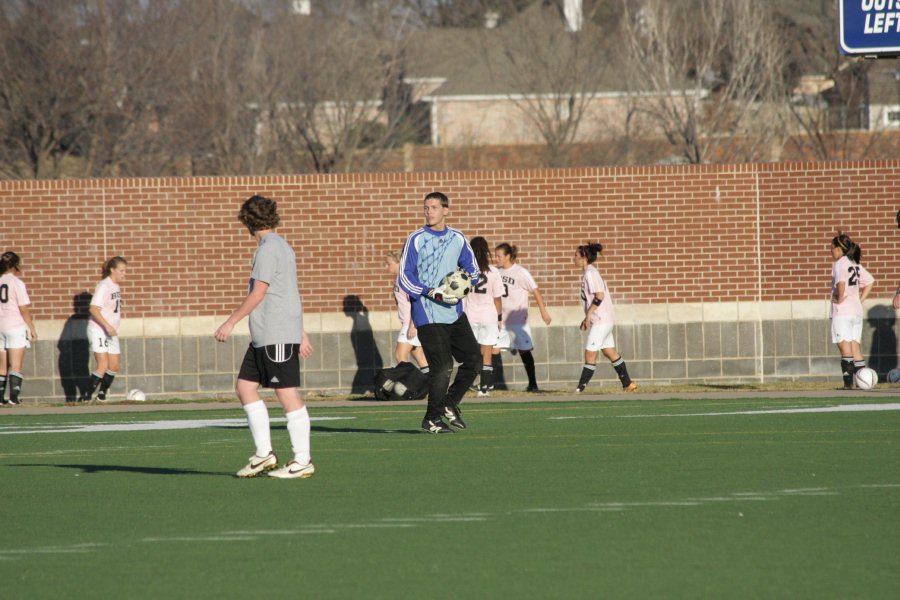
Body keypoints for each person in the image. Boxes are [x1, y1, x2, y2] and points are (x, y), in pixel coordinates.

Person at [215, 195, 315, 478]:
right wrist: (302, 332)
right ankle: (264, 455)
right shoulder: (280, 246)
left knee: (287, 394)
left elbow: (258, 293)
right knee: (245, 388)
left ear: (247, 221)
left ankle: (302, 460)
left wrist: (230, 322)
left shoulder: (269, 250)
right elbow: (289, 293)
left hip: (275, 334)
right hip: (265, 334)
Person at [398, 191, 481, 433]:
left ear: (446, 210)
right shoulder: (416, 239)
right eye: (426, 207)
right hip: (427, 313)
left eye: (434, 207)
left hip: (454, 312)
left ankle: (449, 403)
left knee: (475, 360)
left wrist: (465, 284)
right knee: (443, 367)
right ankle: (431, 419)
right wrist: (429, 292)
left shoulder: (458, 238)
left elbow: (473, 271)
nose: (429, 211)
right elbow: (405, 277)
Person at [575, 243, 638, 394]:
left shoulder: (590, 273)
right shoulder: (588, 273)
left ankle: (579, 389)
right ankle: (628, 384)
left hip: (601, 320)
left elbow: (599, 296)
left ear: (584, 257)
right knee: (610, 352)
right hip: (605, 319)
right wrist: (587, 317)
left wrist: (589, 316)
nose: (574, 259)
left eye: (576, 256)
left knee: (590, 353)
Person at [493, 243, 551, 392]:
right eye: (495, 255)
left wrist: (543, 312)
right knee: (493, 349)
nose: (496, 258)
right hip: (501, 320)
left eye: (499, 256)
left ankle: (533, 384)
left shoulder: (520, 272)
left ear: (508, 256)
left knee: (524, 351)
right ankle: (488, 384)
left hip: (518, 321)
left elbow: (536, 291)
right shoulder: (496, 272)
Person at [830, 232, 875, 389]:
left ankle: (848, 384)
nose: (831, 251)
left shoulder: (840, 263)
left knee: (845, 346)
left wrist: (840, 298)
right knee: (855, 347)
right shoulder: (854, 263)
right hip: (856, 311)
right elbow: (869, 282)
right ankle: (863, 381)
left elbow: (841, 282)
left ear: (838, 249)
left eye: (832, 248)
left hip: (842, 312)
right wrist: (859, 300)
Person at [463, 237, 503, 396]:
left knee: (472, 354)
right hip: (488, 316)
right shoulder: (493, 271)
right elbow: (497, 298)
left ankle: (469, 383)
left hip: (470, 317)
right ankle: (484, 389)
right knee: (487, 353)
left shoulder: (465, 270)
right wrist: (500, 319)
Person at [84, 256, 128, 402]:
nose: (124, 274)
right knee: (103, 364)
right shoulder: (104, 286)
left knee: (114, 365)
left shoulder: (115, 286)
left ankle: (101, 395)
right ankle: (85, 397)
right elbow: (94, 309)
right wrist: (107, 325)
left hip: (111, 331)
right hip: (99, 329)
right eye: (121, 271)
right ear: (112, 270)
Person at [0, 252, 38, 405]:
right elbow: (23, 309)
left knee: (2, 367)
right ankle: (14, 398)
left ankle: (0, 398)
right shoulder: (17, 283)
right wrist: (32, 328)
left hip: (0, 326)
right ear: (16, 265)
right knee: (16, 365)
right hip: (14, 325)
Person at [385, 252, 428, 372]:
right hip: (409, 323)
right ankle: (432, 386)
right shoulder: (399, 278)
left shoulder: (405, 279)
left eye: (388, 264)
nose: (386, 267)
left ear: (399, 263)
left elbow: (417, 301)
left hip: (411, 324)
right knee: (420, 357)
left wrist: (413, 325)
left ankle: (411, 385)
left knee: (400, 356)